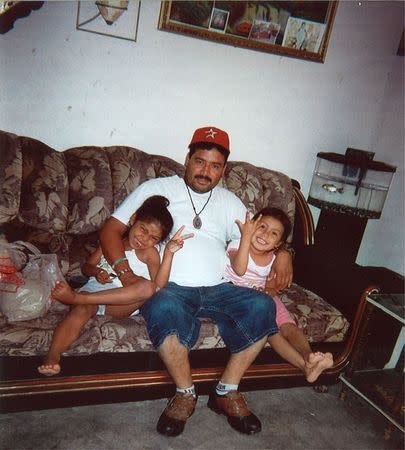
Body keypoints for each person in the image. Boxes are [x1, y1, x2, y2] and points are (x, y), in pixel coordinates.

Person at [98, 126, 294, 437]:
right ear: (187, 159)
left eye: (215, 166)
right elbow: (111, 229)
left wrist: (284, 255)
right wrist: (125, 273)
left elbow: (263, 235)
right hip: (172, 287)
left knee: (262, 305)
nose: (206, 171)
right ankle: (185, 393)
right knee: (160, 305)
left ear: (223, 170)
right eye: (200, 161)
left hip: (220, 288)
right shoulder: (157, 189)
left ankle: (226, 391)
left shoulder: (230, 202)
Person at [38, 196, 193, 377]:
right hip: (94, 294)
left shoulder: (149, 253)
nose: (144, 239)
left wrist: (168, 254)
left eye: (153, 238)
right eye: (143, 230)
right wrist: (96, 272)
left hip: (121, 303)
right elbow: (86, 267)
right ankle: (52, 355)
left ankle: (76, 297)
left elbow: (159, 285)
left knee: (148, 289)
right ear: (133, 219)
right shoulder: (111, 243)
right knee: (80, 311)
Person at [224, 207, 334, 383]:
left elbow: (274, 287)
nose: (265, 234)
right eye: (262, 227)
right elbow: (240, 267)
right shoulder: (236, 245)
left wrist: (268, 291)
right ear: (252, 226)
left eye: (274, 233)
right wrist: (246, 237)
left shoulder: (275, 259)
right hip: (238, 296)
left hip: (265, 299)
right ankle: (305, 366)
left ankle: (310, 357)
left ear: (278, 244)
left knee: (289, 326)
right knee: (271, 331)